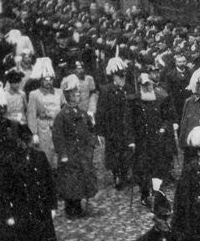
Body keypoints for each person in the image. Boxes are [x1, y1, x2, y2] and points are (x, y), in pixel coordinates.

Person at [0, 124, 58, 241]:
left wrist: (52, 205)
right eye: (22, 141)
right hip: (21, 208)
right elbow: (6, 189)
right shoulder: (10, 161)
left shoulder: (40, 157)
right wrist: (8, 212)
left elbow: (49, 182)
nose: (25, 144)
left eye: (27, 141)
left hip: (40, 208)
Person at [52, 73, 98, 219]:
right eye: (75, 94)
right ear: (68, 96)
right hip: (70, 152)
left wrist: (90, 146)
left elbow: (90, 132)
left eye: (78, 94)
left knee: (80, 180)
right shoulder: (62, 116)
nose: (78, 96)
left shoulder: (83, 114)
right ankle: (70, 207)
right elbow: (58, 137)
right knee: (70, 181)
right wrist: (63, 154)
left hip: (81, 153)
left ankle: (78, 205)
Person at [131, 72, 176, 208]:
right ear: (139, 86)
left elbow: (168, 118)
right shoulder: (135, 101)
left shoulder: (160, 99)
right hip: (142, 141)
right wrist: (131, 140)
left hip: (157, 140)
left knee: (158, 168)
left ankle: (157, 193)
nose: (147, 87)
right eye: (144, 85)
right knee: (143, 169)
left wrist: (163, 128)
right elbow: (129, 122)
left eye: (149, 84)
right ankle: (145, 195)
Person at [95, 55, 135, 190]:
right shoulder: (106, 90)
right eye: (119, 76)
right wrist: (100, 131)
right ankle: (116, 175)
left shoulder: (128, 88)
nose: (122, 78)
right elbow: (100, 111)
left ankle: (124, 173)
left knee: (126, 152)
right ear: (113, 76)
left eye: (123, 76)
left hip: (126, 126)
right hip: (112, 127)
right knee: (114, 153)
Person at [26, 58, 63, 170]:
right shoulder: (34, 94)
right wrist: (34, 133)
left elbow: (64, 110)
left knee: (59, 155)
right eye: (45, 79)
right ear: (41, 80)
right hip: (43, 128)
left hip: (57, 127)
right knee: (46, 156)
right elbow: (31, 115)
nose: (48, 82)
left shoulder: (59, 92)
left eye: (50, 79)